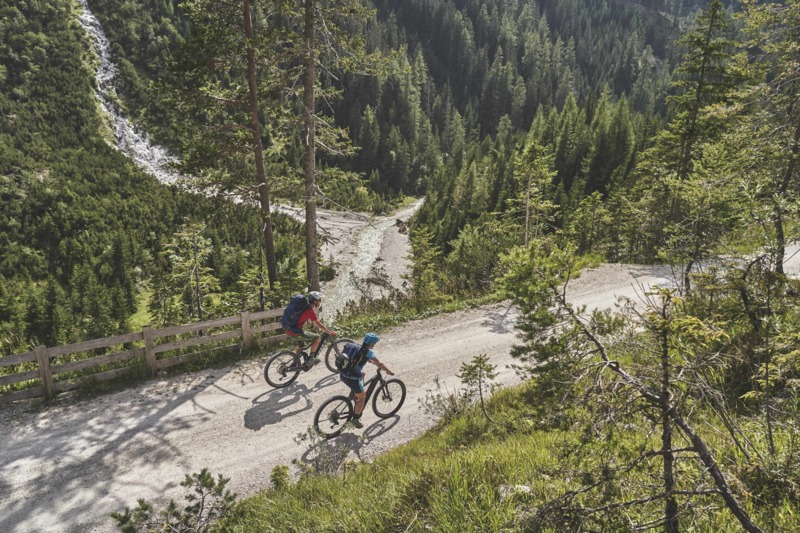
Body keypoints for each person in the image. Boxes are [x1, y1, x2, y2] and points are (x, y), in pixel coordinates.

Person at [339, 332, 394, 428]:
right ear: (372, 344)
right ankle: (355, 420)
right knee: (362, 398)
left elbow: (353, 357)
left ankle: (353, 395)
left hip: (343, 374)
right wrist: (389, 371)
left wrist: (366, 359)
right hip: (352, 378)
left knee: (362, 375)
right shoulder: (369, 353)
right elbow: (380, 364)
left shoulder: (353, 346)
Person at [286, 291, 336, 365]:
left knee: (301, 346)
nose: (320, 302)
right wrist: (329, 332)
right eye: (319, 300)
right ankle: (311, 358)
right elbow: (318, 324)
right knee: (317, 337)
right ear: (315, 301)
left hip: (289, 330)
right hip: (295, 332)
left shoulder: (302, 307)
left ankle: (295, 363)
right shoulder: (309, 310)